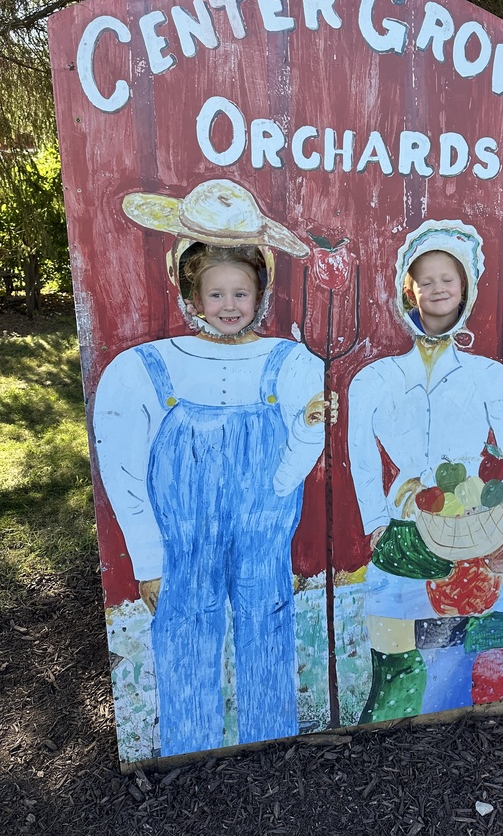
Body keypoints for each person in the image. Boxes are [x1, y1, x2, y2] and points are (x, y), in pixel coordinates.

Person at [93, 180, 334, 758]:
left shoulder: (291, 363)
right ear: (191, 293)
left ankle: (270, 738)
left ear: (261, 292)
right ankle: (188, 745)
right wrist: (148, 557)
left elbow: (305, 442)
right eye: (216, 292)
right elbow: (123, 470)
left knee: (267, 623)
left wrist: (283, 472)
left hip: (264, 537)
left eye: (241, 293)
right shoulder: (144, 370)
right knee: (185, 630)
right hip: (183, 546)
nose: (229, 305)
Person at [348, 221, 503, 725]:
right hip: (407, 523)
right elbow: (362, 454)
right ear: (407, 289)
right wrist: (375, 520)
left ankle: (496, 700)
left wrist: (500, 509)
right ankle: (404, 716)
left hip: (482, 520)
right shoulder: (373, 379)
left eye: (449, 279)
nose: (438, 288)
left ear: (467, 289)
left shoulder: (490, 377)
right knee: (397, 638)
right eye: (426, 279)